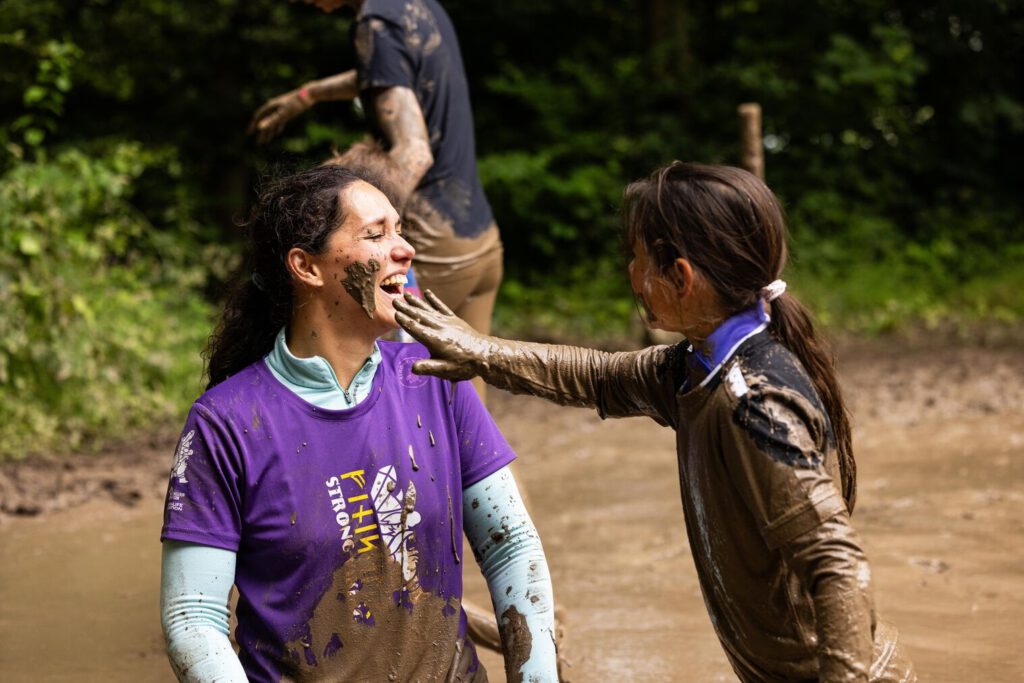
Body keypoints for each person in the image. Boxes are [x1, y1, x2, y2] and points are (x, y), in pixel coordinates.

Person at [395, 162, 918, 682]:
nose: (631, 274)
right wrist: (482, 352)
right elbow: (597, 376)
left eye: (639, 258)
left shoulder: (754, 405)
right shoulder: (697, 365)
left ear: (682, 277)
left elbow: (839, 565)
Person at [159, 164, 558, 682]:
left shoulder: (434, 377)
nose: (405, 248)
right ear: (306, 267)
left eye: (400, 229)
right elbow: (193, 618)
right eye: (376, 234)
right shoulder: (225, 423)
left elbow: (512, 549)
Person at [249, 0, 503, 401]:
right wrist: (308, 94)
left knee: (403, 413)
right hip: (480, 243)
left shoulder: (376, 23)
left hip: (431, 253)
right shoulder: (414, 7)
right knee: (471, 424)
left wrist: (351, 219)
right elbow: (387, 72)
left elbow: (415, 153)